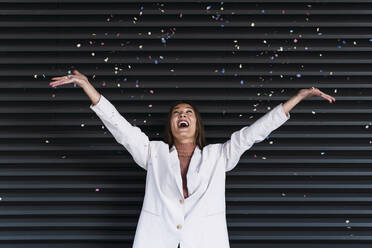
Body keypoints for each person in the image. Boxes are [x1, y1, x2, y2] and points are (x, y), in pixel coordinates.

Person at [49, 70, 336, 248]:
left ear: (196, 124)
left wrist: (296, 99)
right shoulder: (153, 153)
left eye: (188, 113)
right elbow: (120, 128)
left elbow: (254, 133)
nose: (182, 115)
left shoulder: (218, 155)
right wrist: (88, 88)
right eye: (177, 113)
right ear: (171, 124)